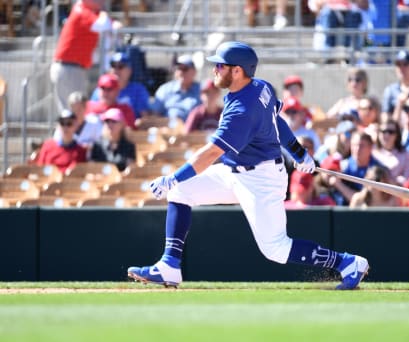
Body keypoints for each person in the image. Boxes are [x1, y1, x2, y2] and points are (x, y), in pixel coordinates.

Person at [127, 41, 369, 290]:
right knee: (182, 191)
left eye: (220, 65)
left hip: (260, 179)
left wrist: (172, 178)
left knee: (276, 248)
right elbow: (277, 121)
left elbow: (211, 153)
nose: (215, 70)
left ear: (237, 71)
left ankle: (347, 263)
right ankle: (169, 265)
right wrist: (298, 152)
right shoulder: (260, 86)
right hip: (235, 171)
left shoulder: (242, 110)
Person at [50, 0, 114, 113]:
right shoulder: (81, 11)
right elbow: (103, 24)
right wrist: (104, 13)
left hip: (73, 68)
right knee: (71, 115)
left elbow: (109, 28)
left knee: (76, 114)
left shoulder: (90, 12)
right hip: (69, 68)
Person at [90, 52, 151, 119]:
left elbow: (145, 117)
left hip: (129, 127)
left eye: (120, 66)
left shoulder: (138, 90)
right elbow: (91, 112)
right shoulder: (102, 89)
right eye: (113, 66)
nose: (116, 70)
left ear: (129, 70)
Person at [151, 54, 202, 123]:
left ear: (194, 72)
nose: (181, 72)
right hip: (169, 131)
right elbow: (155, 114)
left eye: (185, 69)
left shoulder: (202, 90)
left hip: (195, 131)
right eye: (178, 68)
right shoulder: (165, 89)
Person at [89, 108, 136, 172]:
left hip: (121, 181)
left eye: (114, 121)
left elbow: (130, 170)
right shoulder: (97, 145)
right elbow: (92, 169)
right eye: (107, 121)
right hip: (100, 181)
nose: (109, 125)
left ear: (122, 124)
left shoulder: (129, 146)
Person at [382, 50, 409, 119]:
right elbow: (385, 119)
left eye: (405, 64)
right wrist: (399, 104)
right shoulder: (390, 90)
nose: (401, 68)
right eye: (398, 64)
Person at [372, 119, 409, 185]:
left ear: (397, 135)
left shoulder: (406, 155)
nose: (387, 135)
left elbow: (407, 181)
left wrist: (396, 181)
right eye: (383, 131)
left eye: (391, 132)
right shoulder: (371, 151)